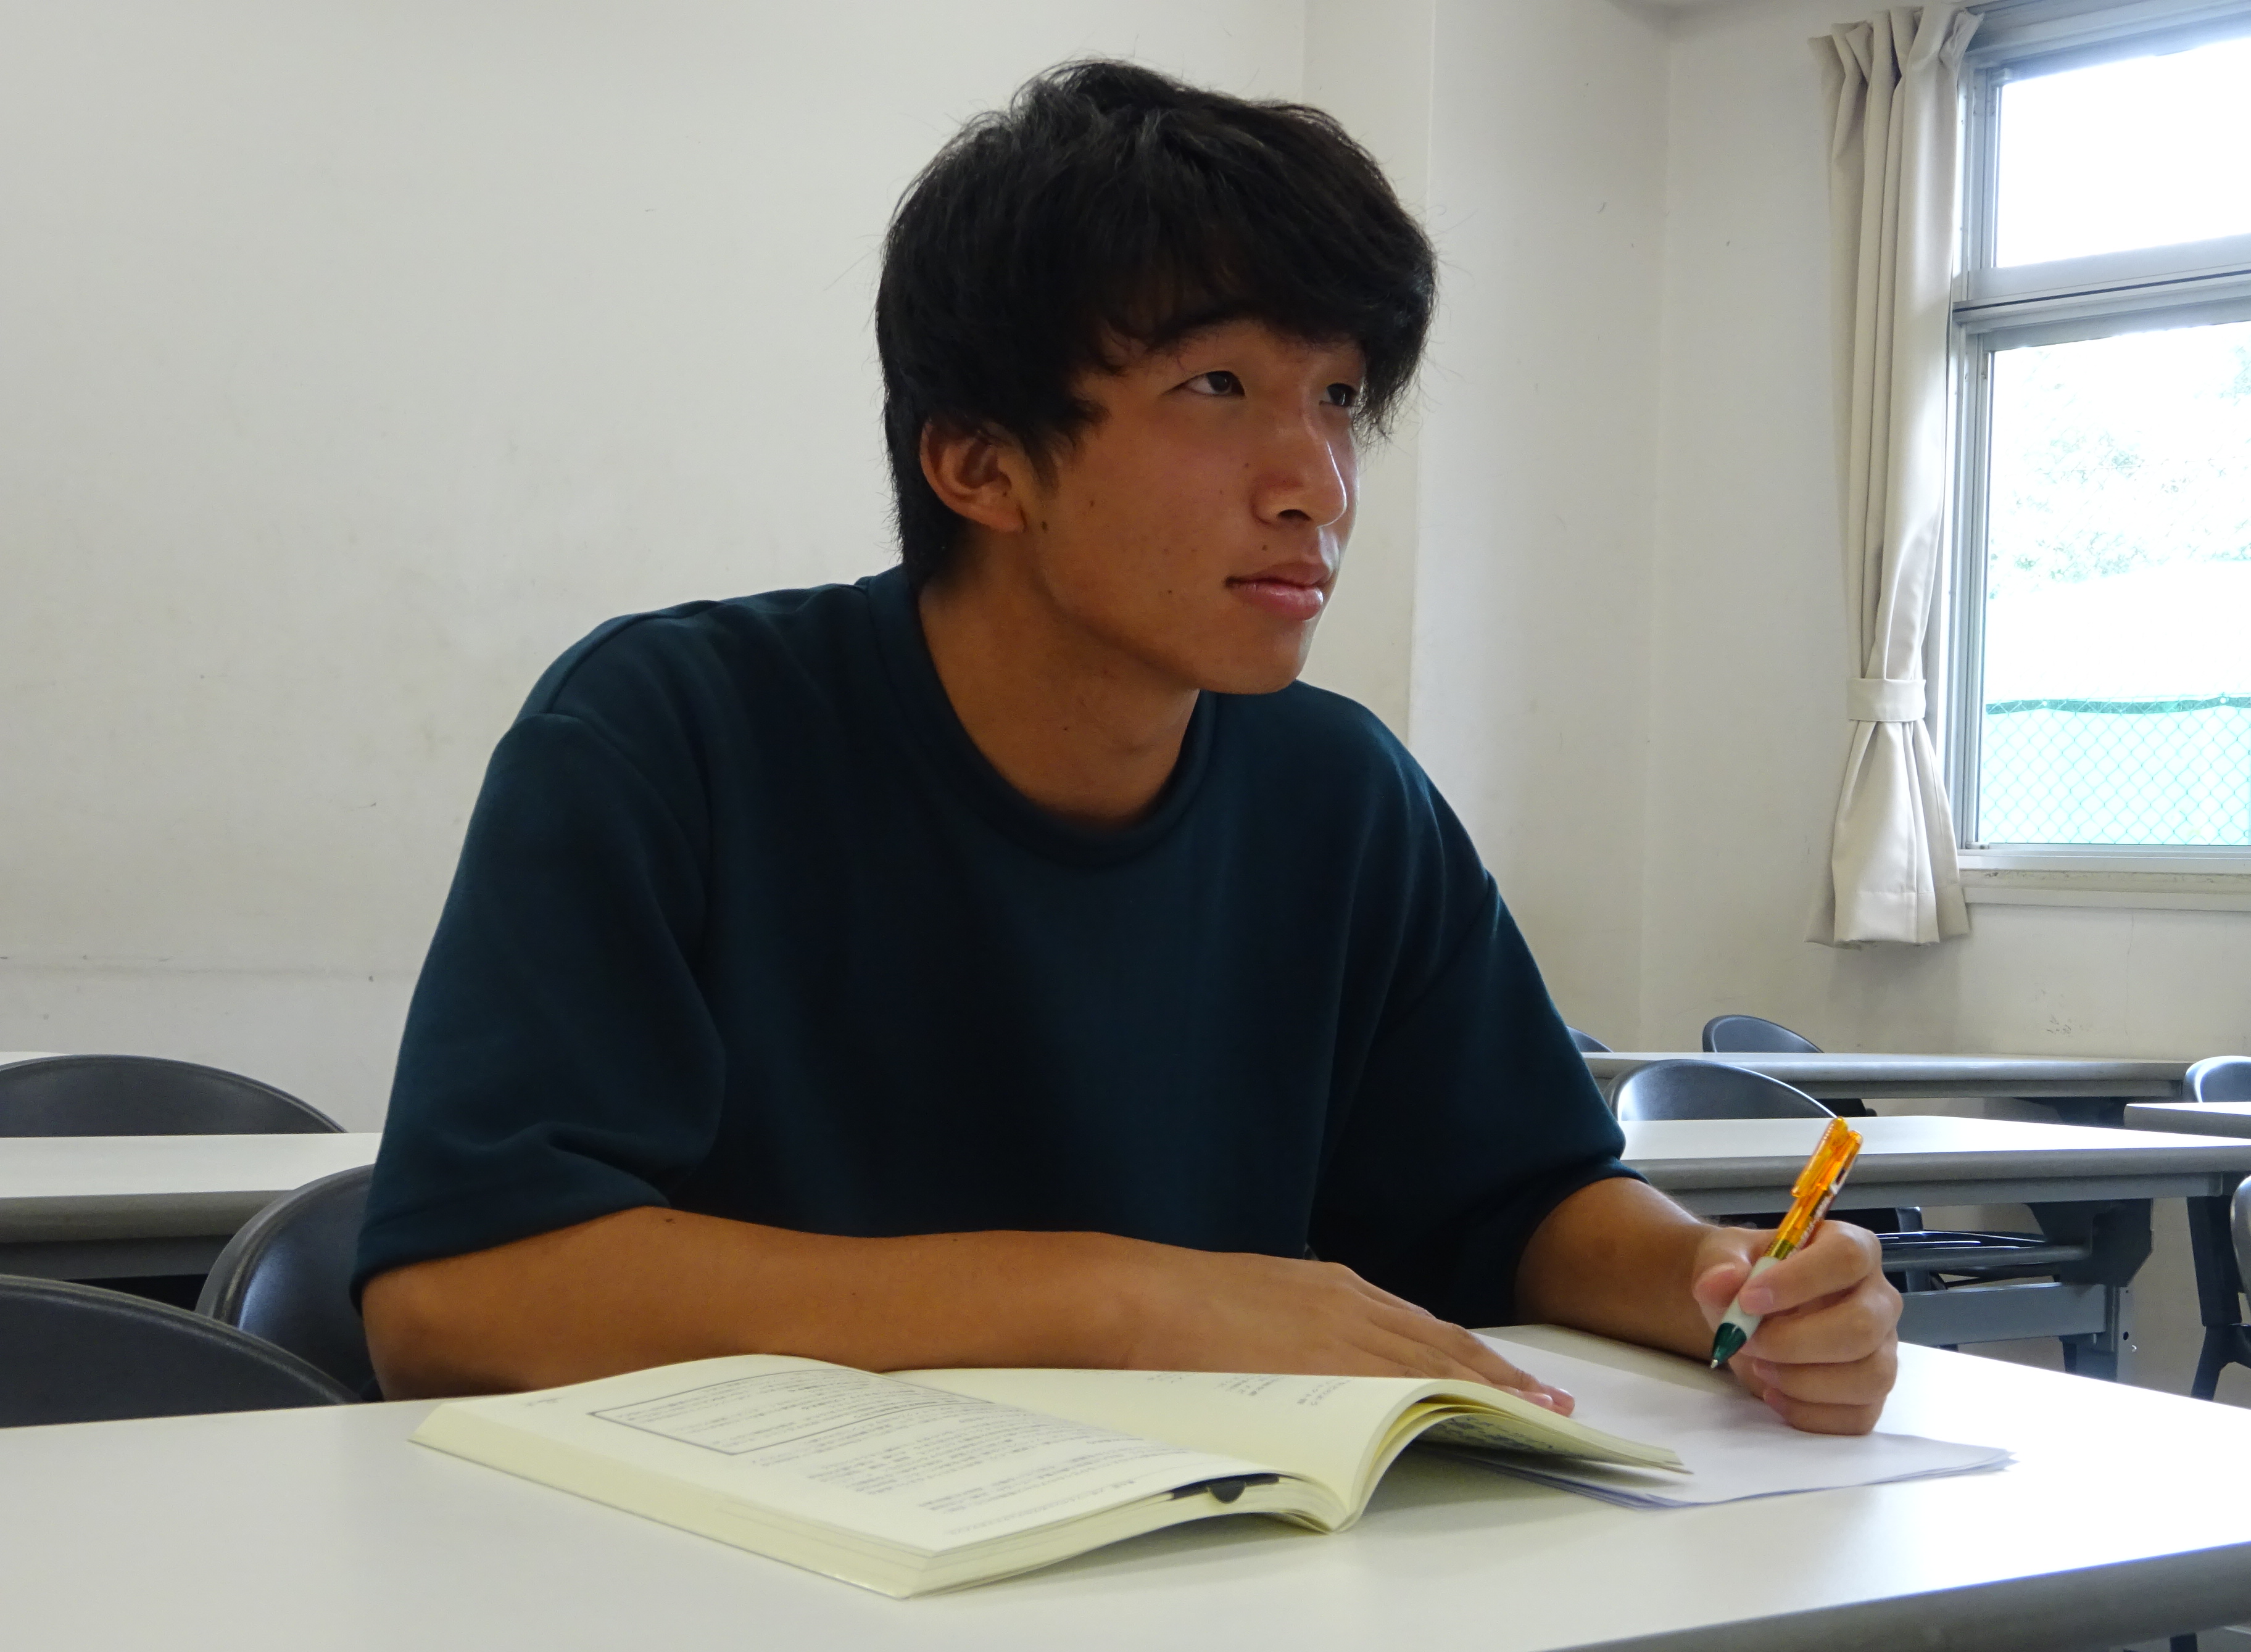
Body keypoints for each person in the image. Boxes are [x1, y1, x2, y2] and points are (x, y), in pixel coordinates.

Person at [357, 60, 1899, 1432]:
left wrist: (1716, 1282)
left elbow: (1521, 1198)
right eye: (1216, 388)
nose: (1317, 483)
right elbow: (463, 1296)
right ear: (979, 463)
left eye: (1340, 398)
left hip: (1197, 1560)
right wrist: (1128, 1299)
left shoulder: (1341, 798)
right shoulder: (668, 736)